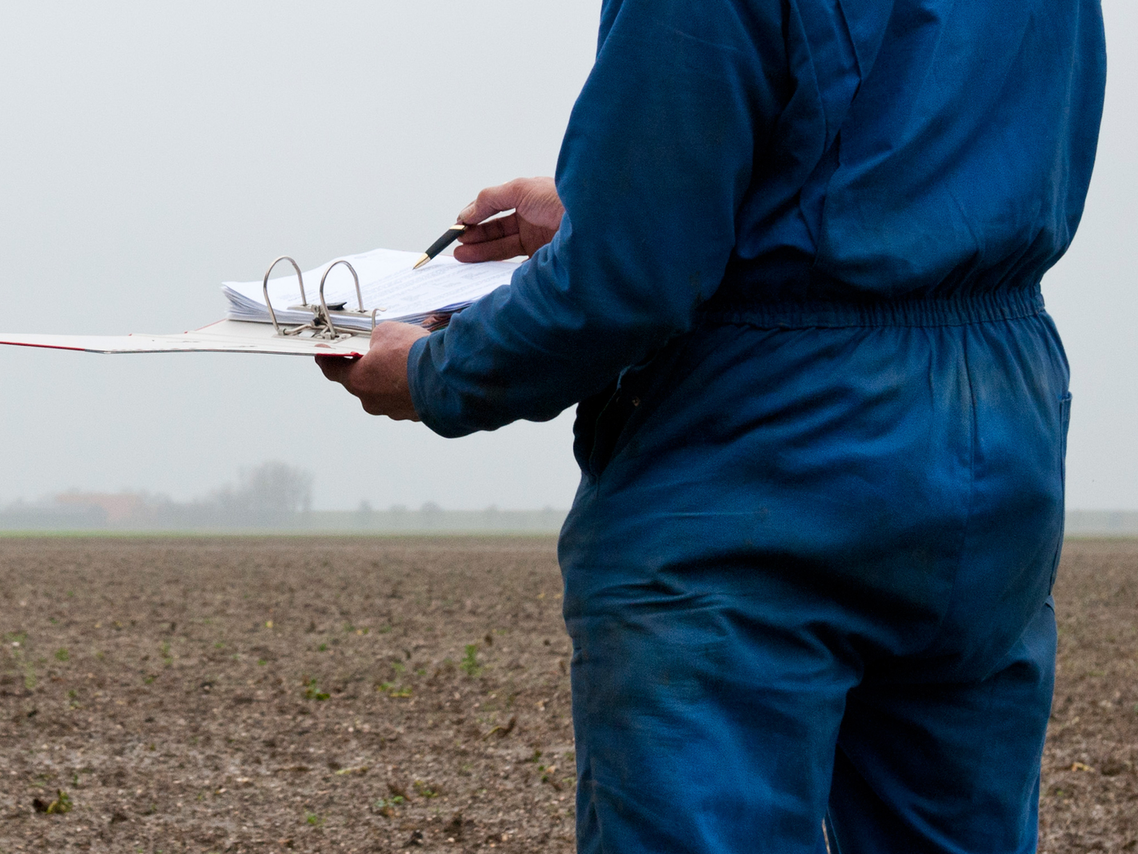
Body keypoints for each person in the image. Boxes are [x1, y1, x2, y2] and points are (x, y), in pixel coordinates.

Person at [319, 0, 1107, 849]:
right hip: (996, 435)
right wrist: (620, 194)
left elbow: (622, 282)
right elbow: (901, 153)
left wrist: (433, 370)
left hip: (764, 452)